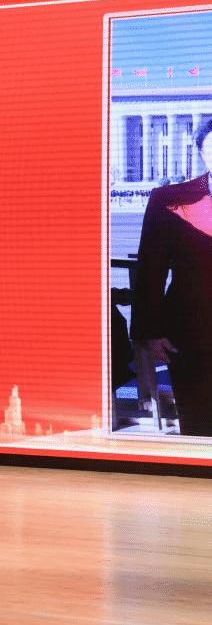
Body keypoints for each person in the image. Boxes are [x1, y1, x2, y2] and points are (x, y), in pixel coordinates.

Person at [133, 117, 212, 435]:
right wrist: (148, 332)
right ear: (202, 154)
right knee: (200, 431)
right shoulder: (169, 201)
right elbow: (150, 269)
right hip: (193, 338)